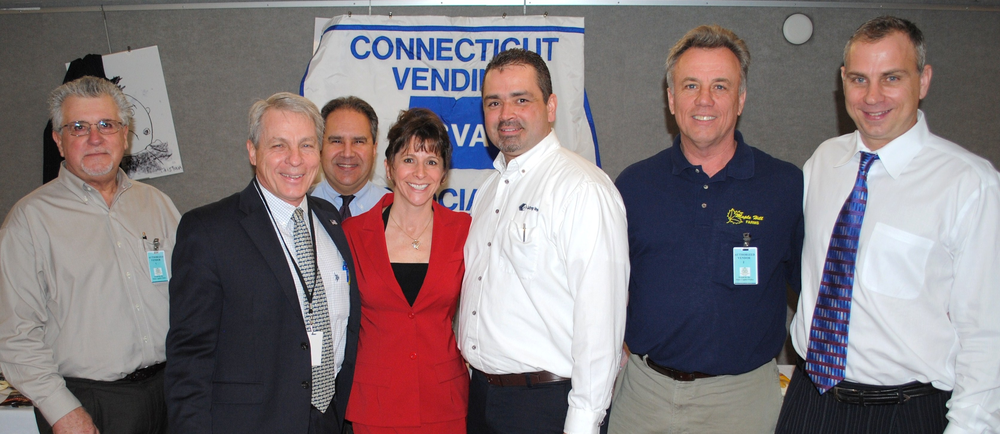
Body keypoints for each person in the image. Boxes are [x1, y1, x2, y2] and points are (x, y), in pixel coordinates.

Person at [776, 16, 1000, 434]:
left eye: (891, 77)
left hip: (905, 411)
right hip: (810, 401)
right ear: (842, 81)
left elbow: (988, 338)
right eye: (859, 79)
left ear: (924, 80)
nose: (872, 96)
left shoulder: (970, 185)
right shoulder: (824, 161)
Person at [609, 25, 804, 434]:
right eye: (691, 85)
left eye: (720, 86)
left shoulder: (786, 186)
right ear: (671, 98)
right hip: (644, 395)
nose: (704, 100)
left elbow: (817, 286)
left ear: (741, 99)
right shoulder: (633, 185)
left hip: (743, 403)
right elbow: (608, 285)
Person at [165, 92, 360, 434]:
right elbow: (189, 359)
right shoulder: (209, 230)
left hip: (327, 419)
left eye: (306, 145)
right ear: (253, 152)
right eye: (279, 145)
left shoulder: (330, 221)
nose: (295, 160)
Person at [459, 48, 629, 434]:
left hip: (547, 406)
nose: (506, 115)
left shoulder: (581, 188)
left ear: (550, 106)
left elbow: (600, 323)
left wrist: (583, 423)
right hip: (483, 398)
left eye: (522, 99)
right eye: (494, 102)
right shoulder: (490, 191)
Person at [0, 76, 180, 434]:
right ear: (59, 140)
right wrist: (63, 412)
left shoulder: (157, 205)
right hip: (89, 403)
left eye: (106, 125)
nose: (95, 138)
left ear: (124, 135)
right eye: (79, 127)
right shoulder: (29, 220)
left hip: (168, 391)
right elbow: (16, 335)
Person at [342, 108, 471, 433]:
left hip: (444, 402)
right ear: (388, 168)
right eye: (409, 159)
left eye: (432, 161)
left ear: (443, 174)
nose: (420, 172)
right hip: (375, 404)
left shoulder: (465, 231)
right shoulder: (352, 234)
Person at [312, 96, 388, 218]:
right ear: (320, 147)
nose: (347, 153)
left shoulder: (395, 208)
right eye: (336, 141)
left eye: (358, 142)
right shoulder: (299, 206)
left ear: (374, 149)